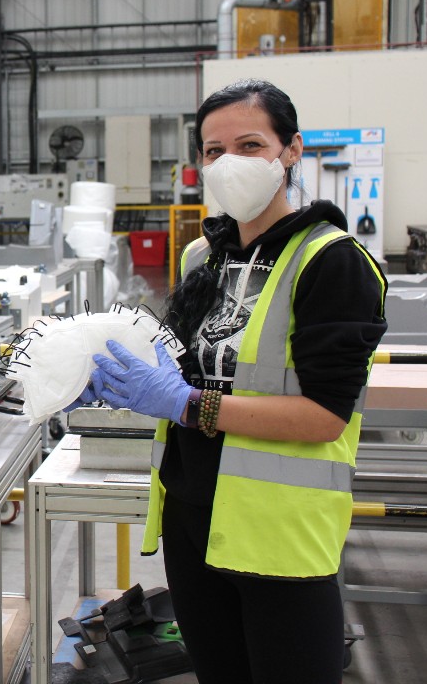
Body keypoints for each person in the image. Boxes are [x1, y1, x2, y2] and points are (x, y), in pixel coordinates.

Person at [84, 79, 387, 684]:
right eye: (214, 151)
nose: (229, 164)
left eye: (250, 145)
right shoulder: (204, 256)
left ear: (291, 150)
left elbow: (325, 416)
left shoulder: (331, 261)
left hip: (280, 530)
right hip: (194, 516)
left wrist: (186, 403)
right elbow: (178, 365)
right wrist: (108, 375)